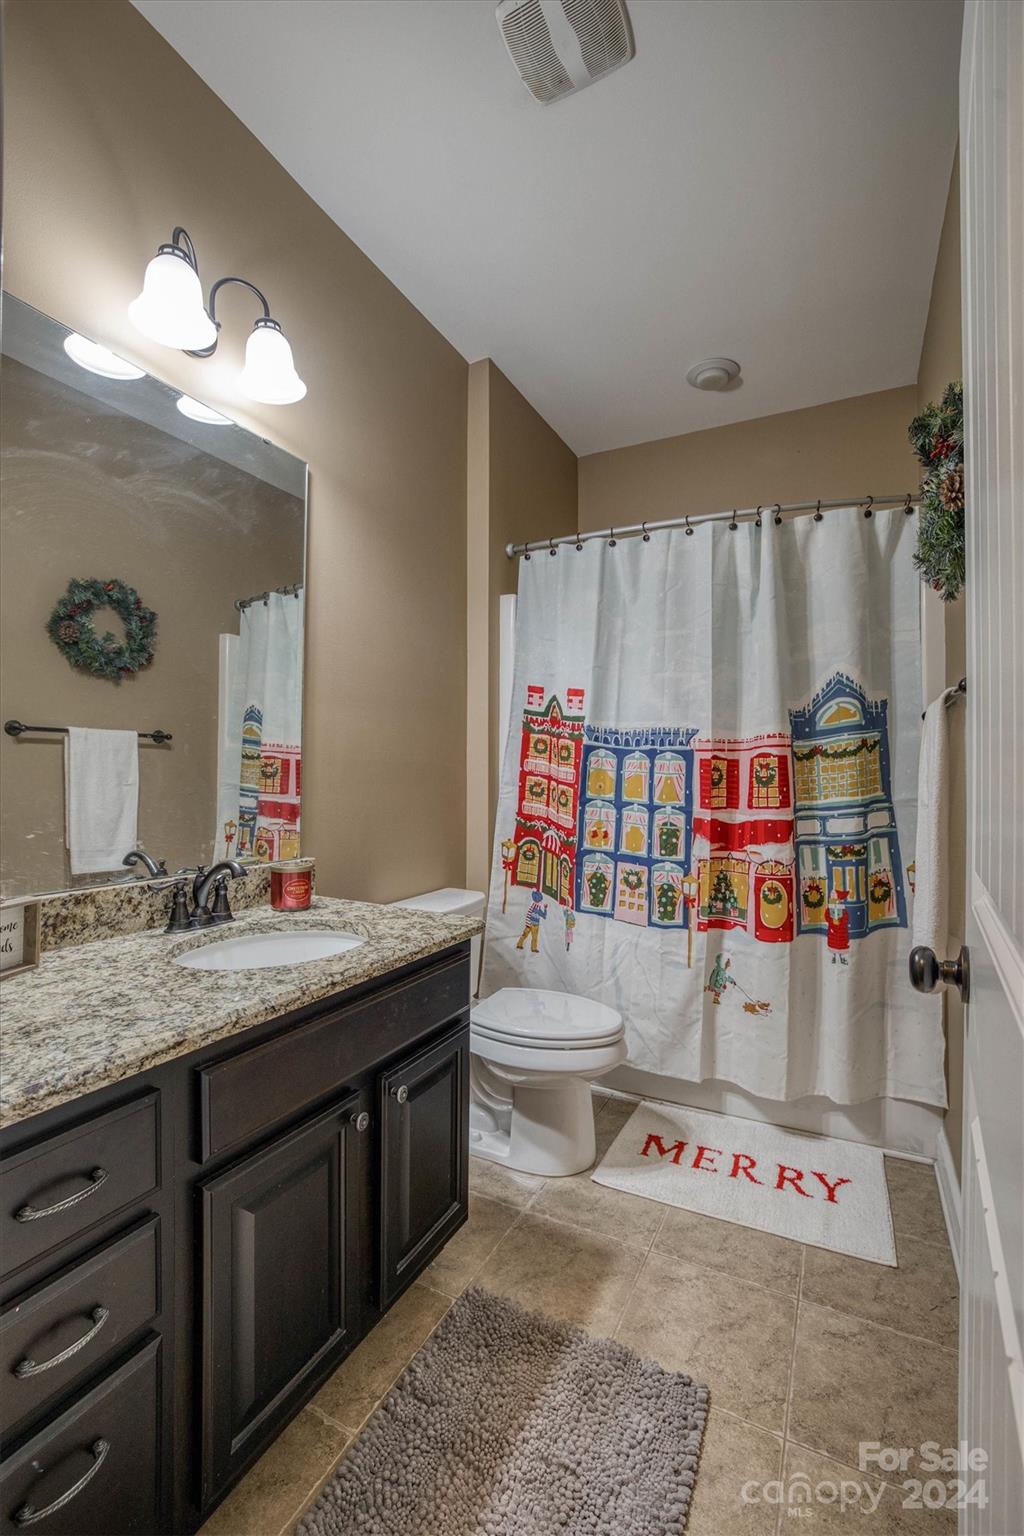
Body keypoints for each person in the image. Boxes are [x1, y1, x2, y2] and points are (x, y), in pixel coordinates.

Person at [826, 886, 850, 965]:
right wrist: (831, 920)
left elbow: (846, 919)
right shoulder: (829, 908)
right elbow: (826, 917)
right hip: (833, 929)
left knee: (841, 944)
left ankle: (842, 957)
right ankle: (833, 956)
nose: (832, 897)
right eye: (831, 896)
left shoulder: (843, 909)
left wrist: (840, 921)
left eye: (834, 896)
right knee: (833, 944)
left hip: (841, 930)